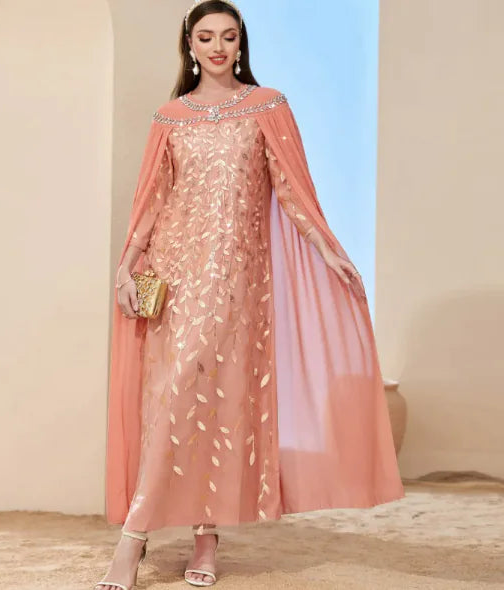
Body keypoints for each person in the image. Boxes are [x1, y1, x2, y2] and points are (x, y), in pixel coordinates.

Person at [95, 1, 405, 588]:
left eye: (228, 36)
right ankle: (180, 536)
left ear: (241, 44)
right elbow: (153, 200)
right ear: (189, 45)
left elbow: (292, 190)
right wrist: (126, 268)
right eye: (206, 37)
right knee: (172, 399)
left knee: (216, 398)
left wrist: (330, 250)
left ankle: (161, 537)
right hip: (174, 274)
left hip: (236, 279)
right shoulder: (170, 117)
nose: (217, 47)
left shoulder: (267, 106)